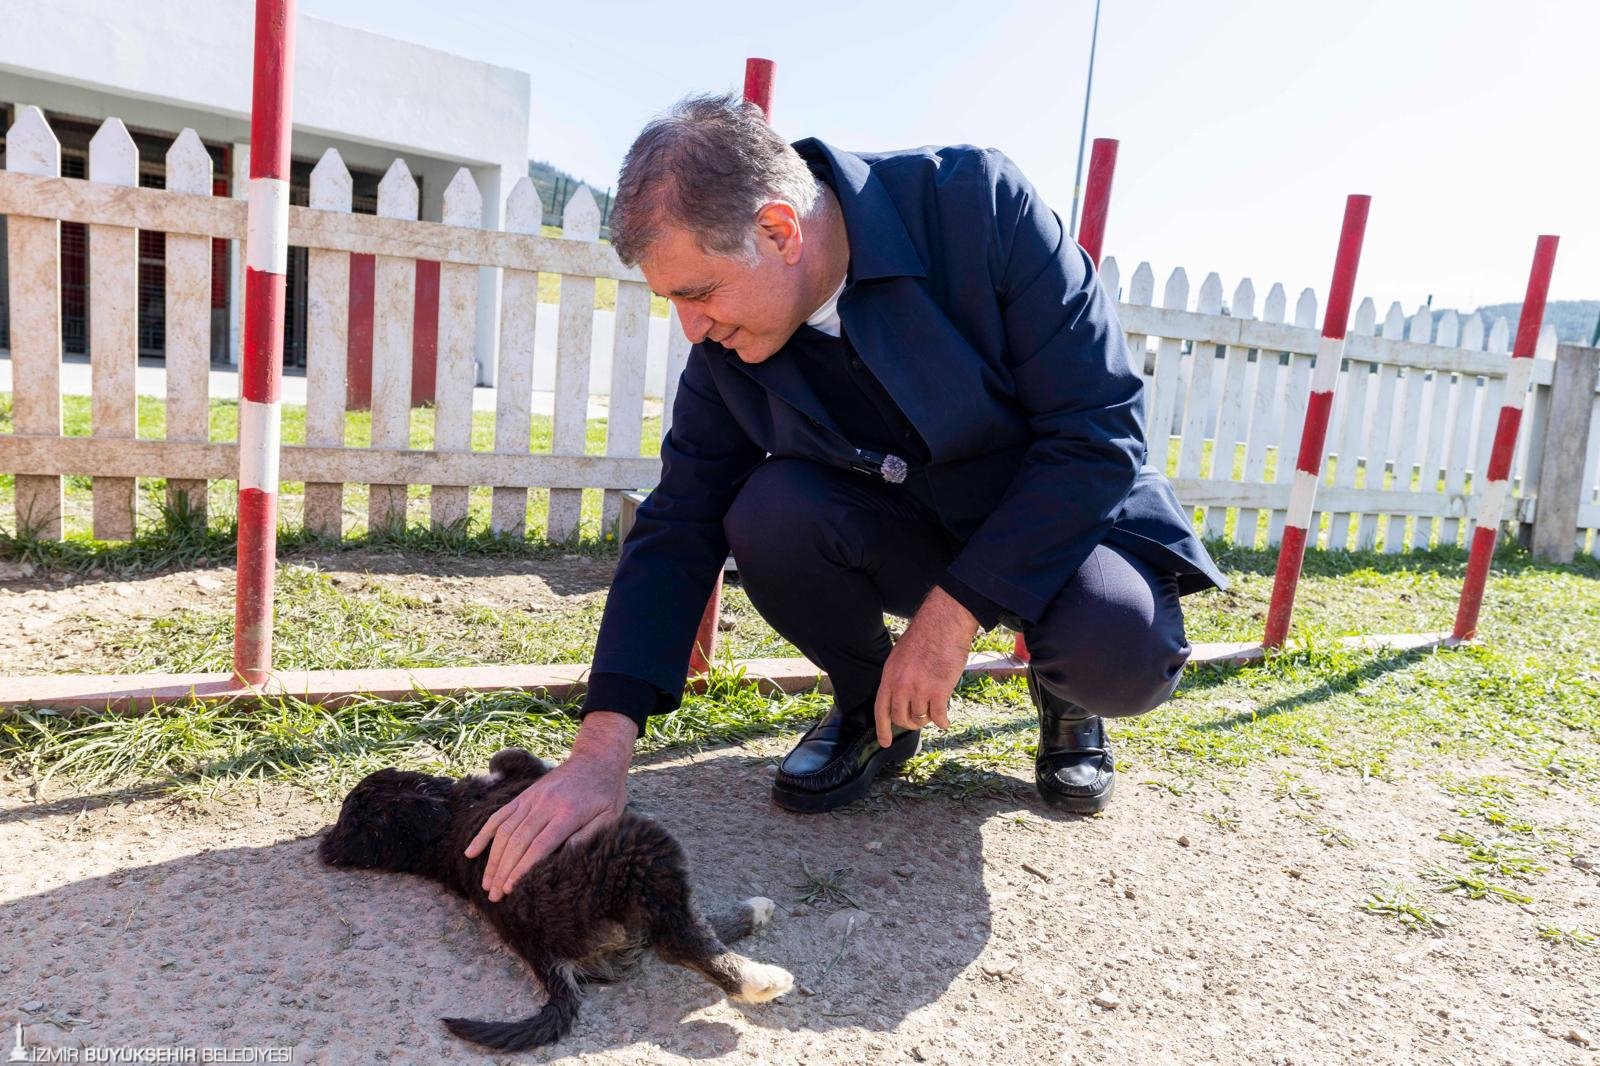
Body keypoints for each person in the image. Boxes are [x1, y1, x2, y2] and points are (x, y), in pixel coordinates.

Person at [466, 92, 1226, 902]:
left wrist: (951, 620)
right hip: (906, 531)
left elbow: (1097, 432)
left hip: (1063, 532)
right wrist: (600, 754)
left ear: (778, 232)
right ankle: (870, 706)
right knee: (767, 508)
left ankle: (1066, 700)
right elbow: (678, 522)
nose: (691, 329)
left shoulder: (975, 206)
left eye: (698, 293)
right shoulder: (729, 347)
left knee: (1117, 648)